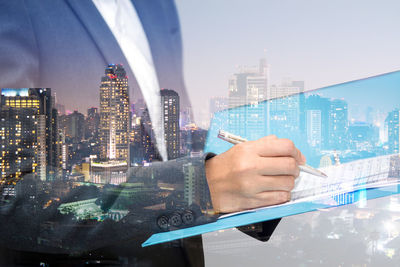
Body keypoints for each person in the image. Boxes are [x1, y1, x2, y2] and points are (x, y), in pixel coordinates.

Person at [0, 0, 305, 265]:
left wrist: (250, 180)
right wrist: (199, 186)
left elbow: (166, 145)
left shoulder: (158, 8)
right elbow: (10, 199)